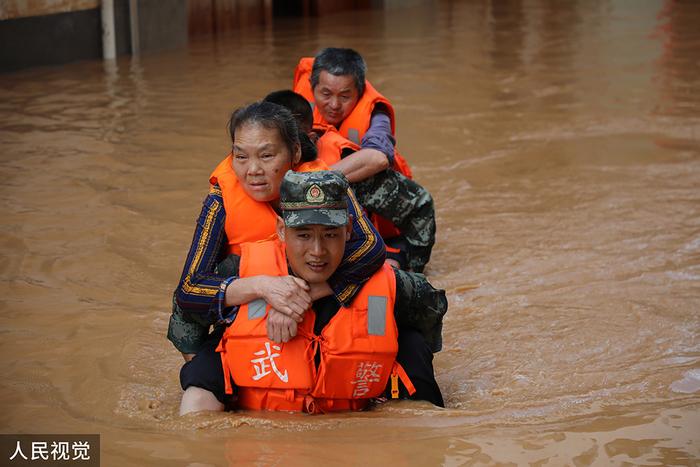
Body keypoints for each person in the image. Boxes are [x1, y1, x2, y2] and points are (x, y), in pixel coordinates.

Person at [179, 170, 446, 415]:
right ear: (282, 231)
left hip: (353, 419)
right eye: (303, 235)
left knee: (412, 346)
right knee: (201, 382)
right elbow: (186, 310)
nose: (317, 251)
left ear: (349, 230)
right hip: (268, 432)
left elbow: (431, 308)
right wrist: (204, 359)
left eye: (330, 235)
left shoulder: (388, 284)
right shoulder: (242, 270)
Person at [168, 101, 386, 360]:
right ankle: (203, 372)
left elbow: (371, 246)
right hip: (255, 292)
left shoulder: (322, 183)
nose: (253, 170)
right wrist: (264, 287)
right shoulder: (221, 198)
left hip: (321, 284)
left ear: (294, 153)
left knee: (387, 277)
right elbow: (190, 287)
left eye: (266, 155)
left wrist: (300, 295)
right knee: (187, 303)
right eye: (241, 157)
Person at [266, 89, 435, 272]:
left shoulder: (346, 170)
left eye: (273, 151)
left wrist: (407, 263)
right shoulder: (246, 177)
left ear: (304, 144)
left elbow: (420, 204)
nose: (256, 167)